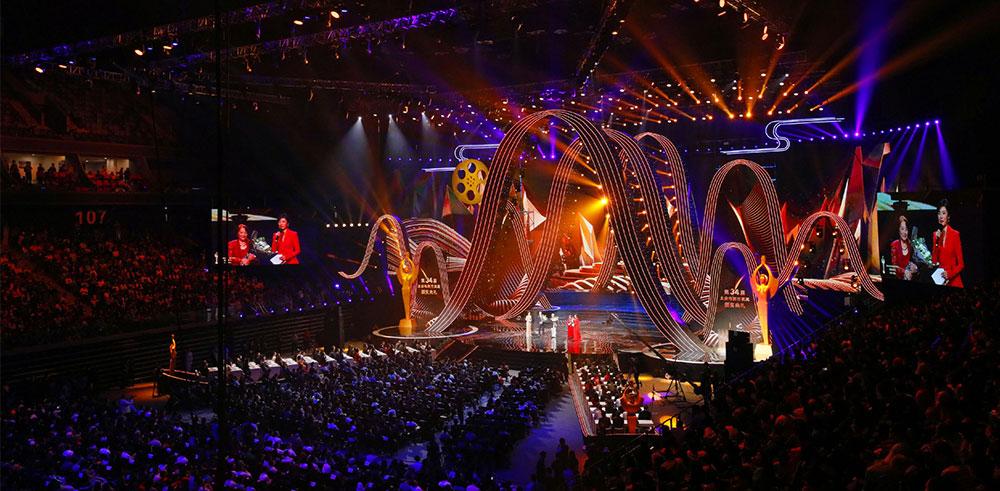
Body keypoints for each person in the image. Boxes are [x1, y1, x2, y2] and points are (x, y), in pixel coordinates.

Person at [931, 200, 964, 287]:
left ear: (948, 216)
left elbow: (961, 264)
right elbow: (934, 261)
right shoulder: (935, 235)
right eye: (939, 213)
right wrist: (937, 241)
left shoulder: (955, 234)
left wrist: (949, 274)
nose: (941, 216)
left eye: (944, 213)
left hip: (954, 280)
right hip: (940, 280)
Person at [889, 215, 917, 280]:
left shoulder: (910, 244)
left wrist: (914, 267)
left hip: (910, 277)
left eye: (906, 229)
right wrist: (904, 272)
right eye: (902, 229)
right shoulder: (894, 244)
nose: (904, 232)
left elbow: (912, 260)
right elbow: (894, 266)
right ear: (898, 230)